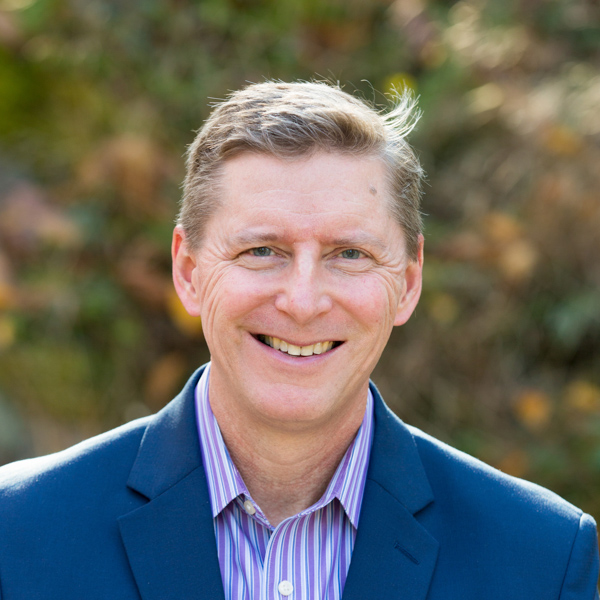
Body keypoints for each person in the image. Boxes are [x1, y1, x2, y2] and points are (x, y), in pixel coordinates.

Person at [0, 81, 598, 600]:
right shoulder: (18, 531)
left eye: (350, 254)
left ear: (409, 283)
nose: (304, 301)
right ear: (188, 272)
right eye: (262, 250)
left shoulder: (541, 558)